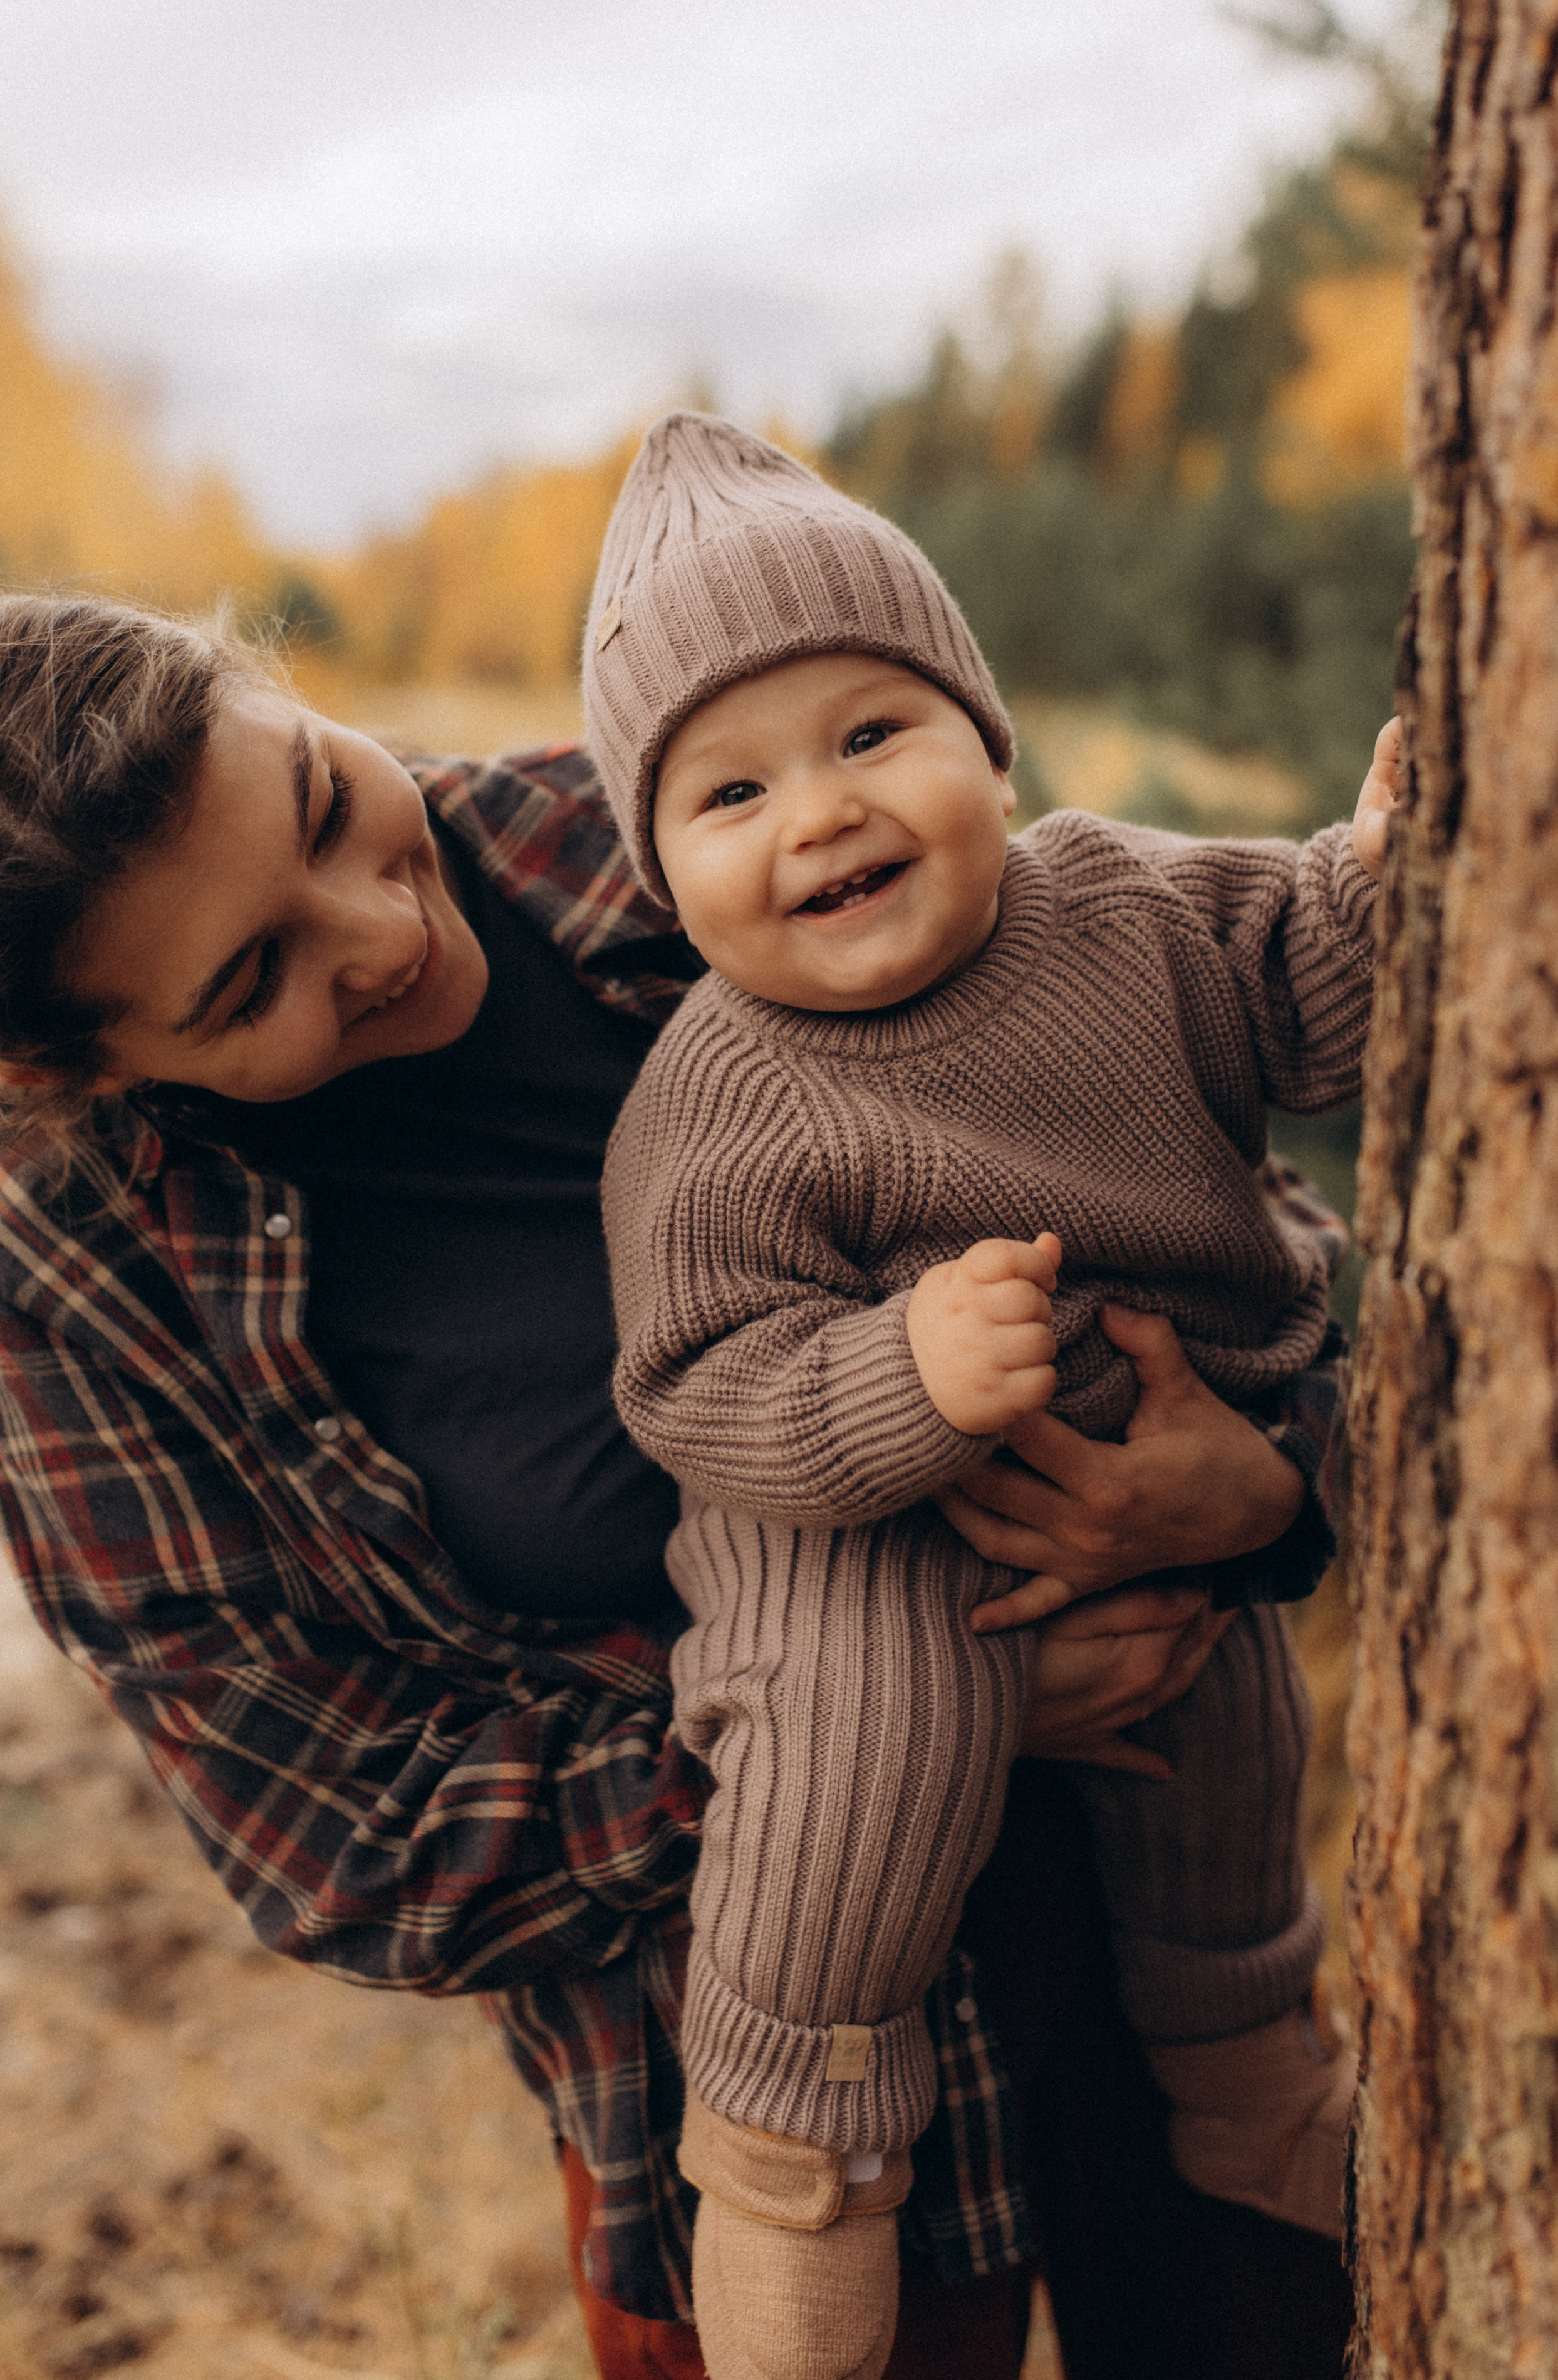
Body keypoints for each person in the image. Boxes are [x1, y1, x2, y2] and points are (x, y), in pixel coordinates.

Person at [0, 590, 1353, 2380]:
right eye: (253, 979)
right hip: (741, 2086)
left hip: (1181, 1932)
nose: (385, 927)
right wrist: (885, 1719)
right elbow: (337, 1834)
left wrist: (1268, 1484)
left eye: (327, 799)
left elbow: (1209, 1203)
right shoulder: (83, 1280)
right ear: (63, 1070)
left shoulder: (682, 829)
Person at [586, 418, 1395, 2380]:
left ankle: (1243, 2048)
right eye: (730, 788)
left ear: (989, 743)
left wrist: (1406, 848)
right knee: (850, 1739)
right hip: (851, 1528)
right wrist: (898, 1370)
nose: (818, 812)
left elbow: (1316, 973)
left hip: (1155, 1461)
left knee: (1222, 1736)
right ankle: (785, 2146)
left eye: (875, 733)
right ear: (664, 869)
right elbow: (698, 1374)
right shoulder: (719, 1089)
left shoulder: (1125, 907)